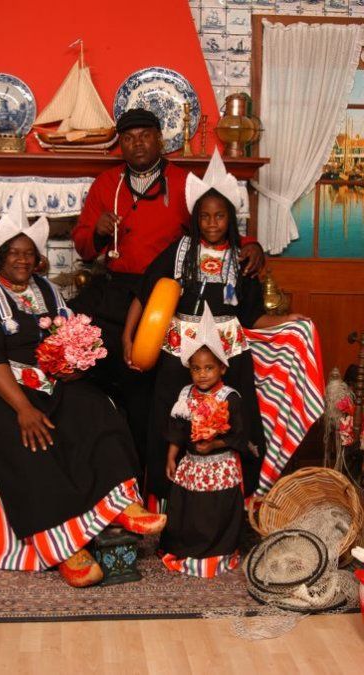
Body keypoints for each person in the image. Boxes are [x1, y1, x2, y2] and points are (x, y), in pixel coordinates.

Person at [0, 195, 166, 588]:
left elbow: (67, 335)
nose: (21, 260)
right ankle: (65, 547)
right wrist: (22, 409)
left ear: (38, 259)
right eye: (13, 253)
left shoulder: (46, 290)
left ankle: (120, 503)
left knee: (97, 407)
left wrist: (71, 363)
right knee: (30, 439)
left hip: (44, 380)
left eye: (29, 254)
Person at [69, 108, 264, 463]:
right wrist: (95, 230)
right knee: (88, 369)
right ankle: (105, 468)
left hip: (164, 296)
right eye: (128, 138)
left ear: (160, 139)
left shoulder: (183, 180)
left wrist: (251, 244)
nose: (137, 143)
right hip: (118, 292)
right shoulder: (105, 184)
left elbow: (214, 225)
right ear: (120, 145)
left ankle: (152, 473)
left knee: (149, 391)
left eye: (145, 135)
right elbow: (82, 247)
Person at [123, 149, 306, 501]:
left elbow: (252, 316)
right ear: (195, 218)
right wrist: (128, 338)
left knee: (239, 417)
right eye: (204, 216)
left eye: (219, 216)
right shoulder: (180, 250)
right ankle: (164, 502)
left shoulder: (243, 258)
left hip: (229, 352)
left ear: (230, 217)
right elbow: (144, 294)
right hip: (179, 350)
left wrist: (286, 321)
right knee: (169, 417)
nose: (211, 223)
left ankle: (240, 499)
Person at [160, 306, 247, 578]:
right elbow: (177, 427)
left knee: (215, 511)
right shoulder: (186, 393)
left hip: (219, 466)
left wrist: (215, 445)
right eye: (196, 368)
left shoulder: (230, 397)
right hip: (192, 465)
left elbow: (239, 436)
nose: (202, 374)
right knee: (189, 509)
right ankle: (188, 549)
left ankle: (217, 550)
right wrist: (172, 456)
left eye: (209, 368)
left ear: (222, 367)